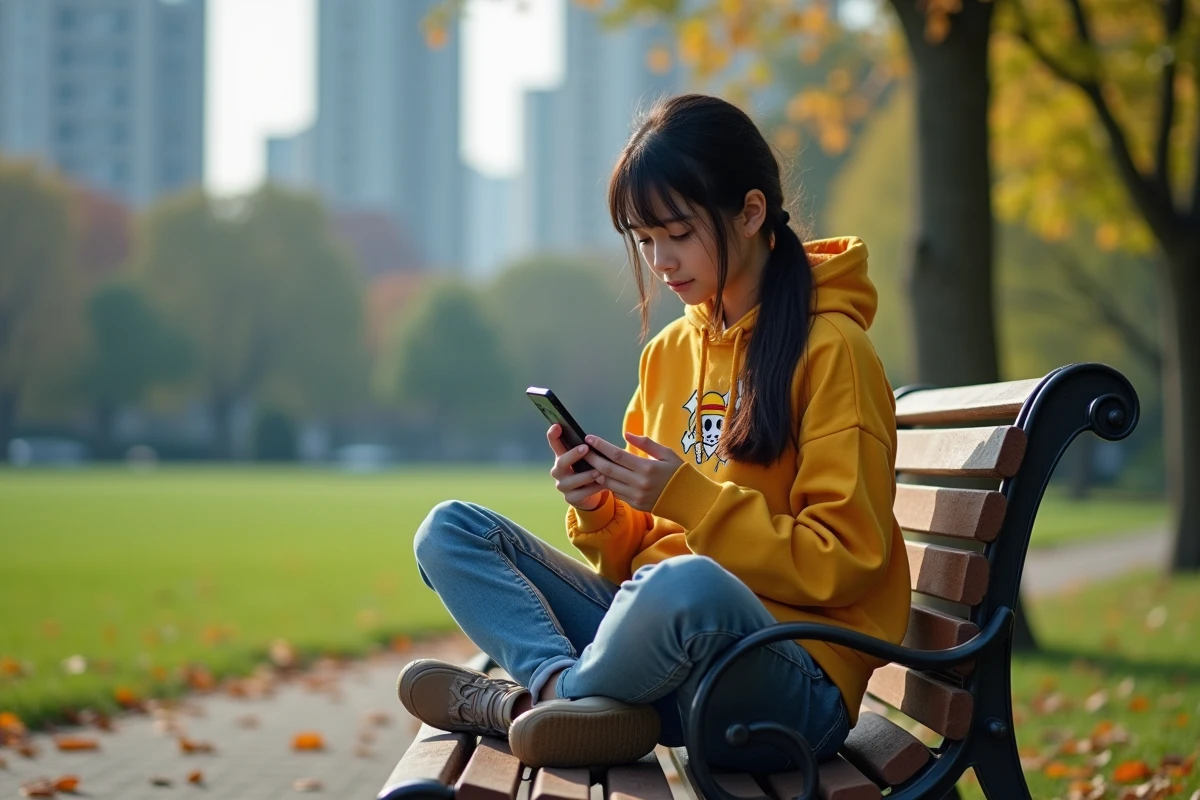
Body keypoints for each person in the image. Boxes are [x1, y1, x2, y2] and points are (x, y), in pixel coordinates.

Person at [397, 93, 911, 771]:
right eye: (644, 240)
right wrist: (597, 508)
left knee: (687, 584)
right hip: (660, 655)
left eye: (678, 233)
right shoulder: (668, 352)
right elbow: (629, 559)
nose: (661, 260)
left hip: (789, 680)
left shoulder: (833, 350)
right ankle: (556, 696)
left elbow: (845, 561)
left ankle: (527, 705)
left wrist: (690, 500)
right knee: (451, 530)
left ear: (751, 213)